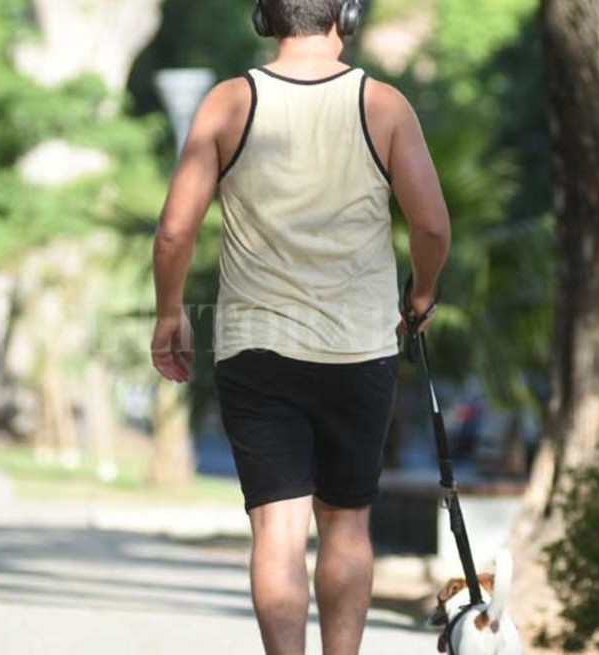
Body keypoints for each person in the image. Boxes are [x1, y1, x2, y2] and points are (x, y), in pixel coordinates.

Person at [150, 2, 452, 653]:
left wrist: (169, 312)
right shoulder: (383, 104)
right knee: (346, 525)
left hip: (256, 350)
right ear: (348, 13)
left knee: (278, 532)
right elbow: (431, 226)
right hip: (358, 347)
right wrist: (422, 292)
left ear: (266, 17)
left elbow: (175, 229)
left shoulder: (229, 103)